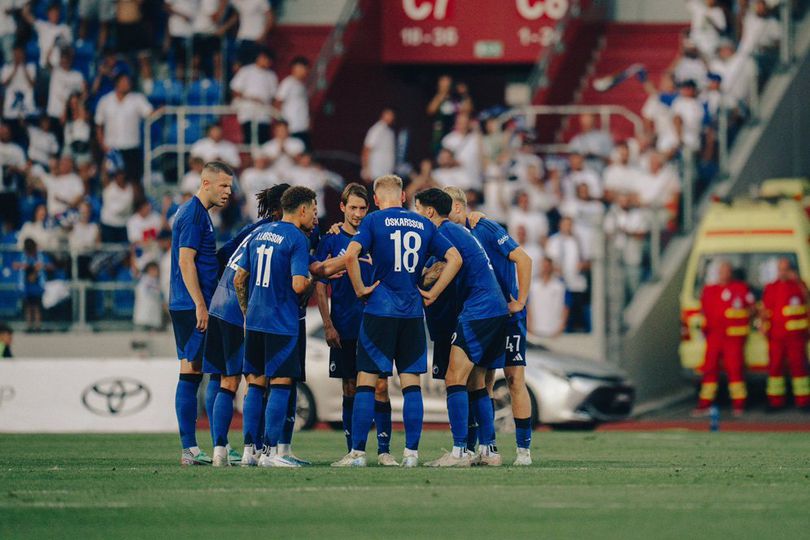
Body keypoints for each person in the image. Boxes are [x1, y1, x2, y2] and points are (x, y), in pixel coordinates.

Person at [331, 175, 461, 468]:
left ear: (376, 200)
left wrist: (360, 289)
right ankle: (411, 455)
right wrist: (432, 293)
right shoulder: (424, 224)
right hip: (413, 313)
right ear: (403, 198)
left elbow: (351, 254)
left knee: (365, 381)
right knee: (411, 385)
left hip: (379, 310)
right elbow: (455, 258)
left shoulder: (374, 221)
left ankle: (358, 454)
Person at [414, 188, 507, 467]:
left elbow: (453, 261)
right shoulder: (459, 231)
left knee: (455, 377)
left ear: (429, 211)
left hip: (479, 310)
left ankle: (459, 452)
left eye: (418, 209)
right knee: (476, 381)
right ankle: (489, 451)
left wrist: (431, 293)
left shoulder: (443, 232)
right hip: (494, 308)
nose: (418, 215)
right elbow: (444, 264)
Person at [444, 186, 534, 466]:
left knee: (514, 378)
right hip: (488, 315)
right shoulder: (458, 235)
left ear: (458, 208)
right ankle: (487, 448)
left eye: (448, 214)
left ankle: (523, 451)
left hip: (509, 314)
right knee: (482, 381)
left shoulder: (485, 227)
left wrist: (520, 300)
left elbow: (523, 258)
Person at [232, 186, 317, 468]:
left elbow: (238, 279)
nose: (315, 216)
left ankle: (249, 451)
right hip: (281, 323)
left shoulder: (259, 234)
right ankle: (271, 453)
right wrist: (314, 278)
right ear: (302, 210)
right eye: (314, 210)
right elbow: (298, 285)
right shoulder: (297, 238)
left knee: (254, 385)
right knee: (281, 385)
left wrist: (248, 313)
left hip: (255, 321)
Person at [315, 183, 397, 466]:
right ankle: (354, 451)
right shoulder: (331, 239)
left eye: (363, 208)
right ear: (342, 207)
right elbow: (319, 284)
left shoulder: (375, 236)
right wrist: (327, 324)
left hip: (376, 324)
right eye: (353, 208)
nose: (358, 213)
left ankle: (384, 451)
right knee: (349, 388)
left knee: (381, 387)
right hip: (345, 325)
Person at [169, 161, 233, 466]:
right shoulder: (193, 215)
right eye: (223, 186)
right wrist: (200, 303)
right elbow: (185, 261)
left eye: (230, 187)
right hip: (192, 304)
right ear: (206, 183)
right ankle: (196, 448)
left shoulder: (198, 214)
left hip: (190, 303)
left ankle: (199, 447)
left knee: (199, 370)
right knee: (201, 371)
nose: (228, 192)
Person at [695, 260, 754, 416]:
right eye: (721, 271)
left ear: (731, 273)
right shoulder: (709, 290)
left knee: (735, 369)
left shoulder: (740, 289)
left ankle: (739, 404)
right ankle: (705, 403)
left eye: (726, 270)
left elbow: (752, 308)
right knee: (709, 368)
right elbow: (702, 310)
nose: (723, 274)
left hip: (733, 337)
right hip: (714, 336)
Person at [761, 259, 809, 410]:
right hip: (776, 336)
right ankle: (775, 401)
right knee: (775, 368)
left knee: (799, 367)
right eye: (780, 269)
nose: (783, 272)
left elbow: (807, 299)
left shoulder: (798, 286)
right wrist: (763, 325)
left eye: (785, 269)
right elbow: (764, 309)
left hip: (796, 337)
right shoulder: (771, 287)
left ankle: (803, 401)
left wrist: (799, 281)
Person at [94, 74, 153, 184]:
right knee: (109, 180)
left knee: (133, 181)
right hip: (112, 148)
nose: (126, 84)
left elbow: (150, 114)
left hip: (131, 147)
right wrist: (102, 145)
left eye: (128, 81)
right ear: (117, 83)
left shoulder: (137, 99)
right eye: (124, 81)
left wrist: (163, 109)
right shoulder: (105, 101)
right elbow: (99, 124)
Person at [545, 216, 589, 332]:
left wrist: (583, 265)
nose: (568, 227)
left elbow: (587, 261)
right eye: (565, 224)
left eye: (570, 225)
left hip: (576, 281)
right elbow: (549, 260)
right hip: (560, 282)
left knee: (578, 307)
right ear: (560, 225)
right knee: (563, 308)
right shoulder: (554, 241)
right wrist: (557, 270)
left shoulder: (578, 241)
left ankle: (580, 328)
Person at [230, 48, 278, 146]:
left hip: (264, 114)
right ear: (260, 58)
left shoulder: (272, 75)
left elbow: (274, 96)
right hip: (248, 111)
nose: (268, 63)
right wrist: (251, 98)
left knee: (264, 142)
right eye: (266, 59)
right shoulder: (246, 71)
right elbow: (235, 91)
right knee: (249, 141)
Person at [14, 238, 51, 332]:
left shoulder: (40, 257)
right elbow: (15, 265)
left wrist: (41, 267)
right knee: (28, 307)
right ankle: (29, 326)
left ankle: (38, 326)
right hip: (27, 288)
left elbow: (50, 266)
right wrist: (25, 266)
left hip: (37, 287)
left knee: (36, 307)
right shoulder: (23, 257)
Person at [528, 257, 569, 338]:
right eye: (543, 266)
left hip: (554, 329)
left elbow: (566, 306)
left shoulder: (560, 285)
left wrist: (561, 327)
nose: (545, 269)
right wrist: (529, 325)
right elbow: (528, 305)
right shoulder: (532, 285)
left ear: (552, 267)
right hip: (535, 329)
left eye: (547, 266)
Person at [274, 57, 311, 148]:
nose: (306, 71)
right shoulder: (287, 83)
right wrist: (282, 126)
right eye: (304, 68)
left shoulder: (302, 85)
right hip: (292, 127)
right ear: (296, 68)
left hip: (302, 127)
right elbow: (278, 102)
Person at [1, 44, 36, 123]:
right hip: (10, 108)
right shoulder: (6, 68)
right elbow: (5, 84)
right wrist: (15, 69)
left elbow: (32, 84)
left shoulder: (31, 67)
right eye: (16, 53)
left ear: (24, 53)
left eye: (20, 53)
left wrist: (23, 67)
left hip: (27, 106)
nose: (18, 56)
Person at [361, 108, 396, 182]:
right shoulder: (376, 130)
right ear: (382, 115)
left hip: (386, 175)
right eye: (388, 114)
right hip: (375, 174)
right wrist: (366, 171)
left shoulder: (389, 131)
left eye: (391, 115)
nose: (390, 117)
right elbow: (366, 149)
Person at [133, 261, 163, 330]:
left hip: (153, 317)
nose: (157, 272)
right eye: (154, 270)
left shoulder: (156, 281)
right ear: (149, 270)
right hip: (143, 316)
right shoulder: (143, 279)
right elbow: (135, 271)